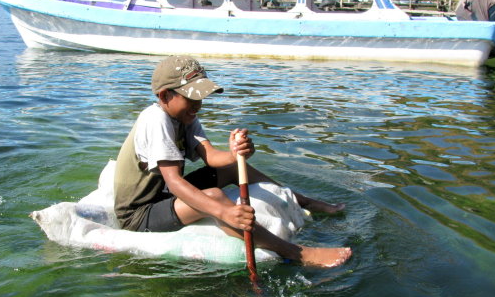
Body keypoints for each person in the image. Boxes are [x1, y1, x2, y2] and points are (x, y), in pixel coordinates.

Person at [113, 56, 351, 267]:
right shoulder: (156, 120)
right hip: (140, 213)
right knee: (215, 196)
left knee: (232, 168)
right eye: (191, 97)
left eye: (202, 97)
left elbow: (211, 157)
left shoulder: (185, 117)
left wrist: (236, 153)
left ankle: (304, 201)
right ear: (165, 95)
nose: (198, 105)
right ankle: (296, 252)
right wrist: (224, 213)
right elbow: (174, 182)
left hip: (164, 197)